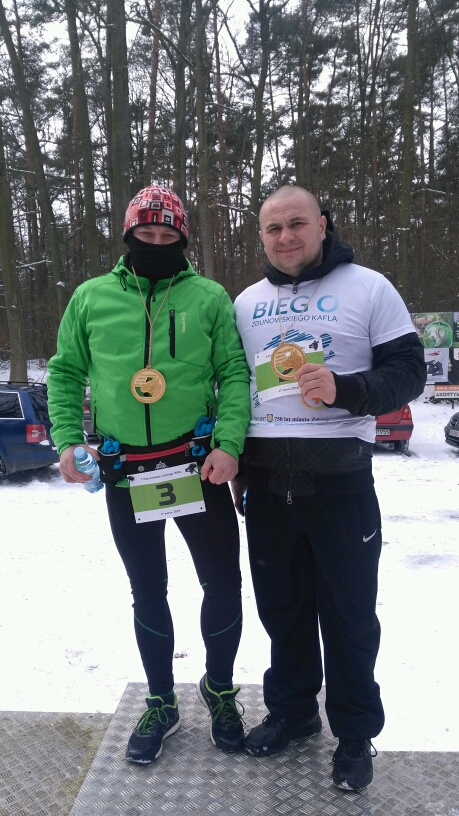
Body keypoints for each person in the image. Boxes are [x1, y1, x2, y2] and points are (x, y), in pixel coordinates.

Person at [47, 185, 250, 764]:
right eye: (146, 234)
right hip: (126, 473)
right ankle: (161, 700)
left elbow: (235, 373)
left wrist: (230, 444)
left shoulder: (209, 297)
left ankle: (219, 688)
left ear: (182, 239)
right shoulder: (91, 298)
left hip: (198, 466)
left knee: (222, 584)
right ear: (128, 236)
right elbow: (64, 373)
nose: (156, 244)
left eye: (168, 236)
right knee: (147, 590)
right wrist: (67, 439)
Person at [232, 185, 426, 792]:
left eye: (296, 224)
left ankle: (355, 734)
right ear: (261, 237)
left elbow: (409, 373)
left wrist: (346, 389)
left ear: (322, 224)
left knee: (349, 616)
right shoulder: (245, 302)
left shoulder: (369, 287)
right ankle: (293, 713)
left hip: (342, 485)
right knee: (282, 611)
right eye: (273, 228)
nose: (285, 237)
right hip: (267, 488)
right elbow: (232, 386)